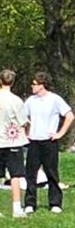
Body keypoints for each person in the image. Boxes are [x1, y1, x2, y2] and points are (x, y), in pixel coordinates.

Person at [24, 72, 73, 214]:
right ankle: (29, 203)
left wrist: (60, 133)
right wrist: (25, 133)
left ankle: (55, 203)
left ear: (41, 85)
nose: (31, 87)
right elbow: (22, 116)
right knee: (31, 173)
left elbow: (69, 116)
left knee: (51, 173)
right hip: (34, 141)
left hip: (49, 142)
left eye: (34, 84)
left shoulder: (54, 99)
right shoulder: (30, 101)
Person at [0, 68, 28, 218]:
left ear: (0, 81)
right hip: (12, 141)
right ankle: (16, 208)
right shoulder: (15, 100)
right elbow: (23, 121)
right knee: (15, 175)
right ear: (13, 82)